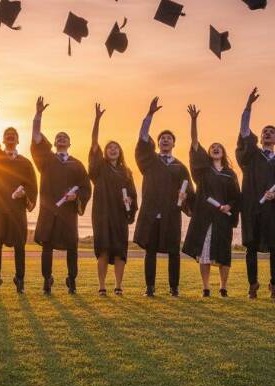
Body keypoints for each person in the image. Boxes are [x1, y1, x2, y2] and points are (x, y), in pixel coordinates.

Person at [134, 97, 194, 297]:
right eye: (162, 138)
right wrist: (149, 115)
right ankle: (149, 288)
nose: (166, 140)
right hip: (152, 213)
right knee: (150, 251)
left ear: (174, 143)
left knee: (173, 252)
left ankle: (173, 288)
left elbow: (189, 191)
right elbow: (143, 139)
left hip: (171, 213)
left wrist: (184, 196)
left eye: (169, 138)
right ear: (158, 143)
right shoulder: (150, 160)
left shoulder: (180, 166)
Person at [31, 96, 91, 295]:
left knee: (72, 248)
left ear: (70, 143)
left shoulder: (77, 164)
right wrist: (38, 115)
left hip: (68, 213)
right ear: (55, 143)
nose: (62, 139)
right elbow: (37, 139)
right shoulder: (46, 160)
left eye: (65, 137)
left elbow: (85, 187)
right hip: (49, 212)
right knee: (47, 247)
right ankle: (47, 280)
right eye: (59, 137)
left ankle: (72, 280)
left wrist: (77, 198)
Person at [236, 88, 275, 299]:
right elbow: (243, 131)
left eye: (271, 132)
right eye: (264, 131)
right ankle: (253, 284)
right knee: (251, 247)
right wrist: (248, 107)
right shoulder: (251, 156)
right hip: (251, 207)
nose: (267, 133)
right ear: (260, 138)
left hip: (271, 211)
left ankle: (274, 285)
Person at [0, 94, 38, 294]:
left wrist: (26, 194)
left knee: (20, 246)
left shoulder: (25, 163)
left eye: (14, 134)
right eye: (7, 134)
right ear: (4, 139)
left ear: (18, 139)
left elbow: (32, 186)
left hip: (17, 210)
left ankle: (20, 279)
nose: (10, 136)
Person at [182, 105, 241, 297]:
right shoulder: (203, 170)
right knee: (205, 251)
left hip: (223, 216)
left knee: (223, 253)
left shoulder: (230, 174)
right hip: (205, 216)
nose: (215, 149)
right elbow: (195, 144)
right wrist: (193, 121)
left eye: (219, 147)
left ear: (223, 153)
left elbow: (236, 196)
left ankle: (223, 287)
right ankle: (206, 287)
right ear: (209, 153)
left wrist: (229, 206)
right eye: (212, 147)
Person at [89, 103, 138, 296]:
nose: (113, 149)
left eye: (116, 147)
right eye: (109, 147)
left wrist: (130, 205)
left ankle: (118, 286)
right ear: (105, 152)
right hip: (102, 214)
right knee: (103, 250)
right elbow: (94, 144)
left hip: (119, 216)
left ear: (120, 152)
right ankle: (102, 286)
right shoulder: (99, 167)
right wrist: (97, 120)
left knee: (119, 251)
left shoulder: (126, 171)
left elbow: (133, 194)